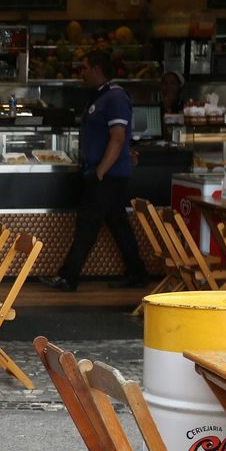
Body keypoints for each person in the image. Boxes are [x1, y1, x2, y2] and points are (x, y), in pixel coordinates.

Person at [40, 49, 147, 292]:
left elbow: (117, 137)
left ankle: (69, 277)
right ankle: (137, 273)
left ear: (97, 69)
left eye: (85, 67)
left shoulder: (115, 97)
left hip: (109, 175)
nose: (82, 73)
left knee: (87, 223)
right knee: (118, 223)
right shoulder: (99, 96)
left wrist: (100, 171)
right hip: (105, 172)